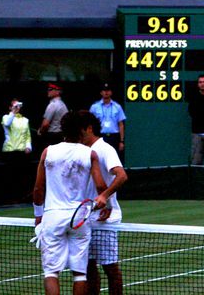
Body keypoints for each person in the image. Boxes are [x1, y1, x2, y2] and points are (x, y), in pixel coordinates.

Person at [32, 111, 115, 295]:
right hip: (79, 218)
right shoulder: (90, 154)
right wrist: (107, 206)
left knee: (51, 272)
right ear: (81, 130)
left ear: (62, 129)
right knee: (80, 274)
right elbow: (101, 185)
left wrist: (38, 215)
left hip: (54, 217)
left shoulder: (48, 152)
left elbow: (38, 189)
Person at [78, 110, 128, 295]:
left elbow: (121, 175)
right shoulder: (81, 151)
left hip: (105, 221)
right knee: (88, 268)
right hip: (85, 219)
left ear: (89, 129)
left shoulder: (105, 149)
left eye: (80, 131)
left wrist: (104, 196)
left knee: (110, 269)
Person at [89, 83, 126, 154]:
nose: (106, 92)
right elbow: (90, 123)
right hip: (100, 136)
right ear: (101, 92)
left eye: (108, 90)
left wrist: (121, 141)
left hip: (114, 137)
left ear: (111, 92)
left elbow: (121, 124)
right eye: (104, 90)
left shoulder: (117, 107)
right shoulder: (94, 107)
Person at [38, 82, 68, 149]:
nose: (48, 91)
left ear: (58, 92)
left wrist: (40, 131)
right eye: (48, 89)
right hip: (61, 135)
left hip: (52, 137)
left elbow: (45, 124)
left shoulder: (52, 105)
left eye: (51, 89)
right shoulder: (63, 104)